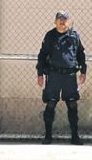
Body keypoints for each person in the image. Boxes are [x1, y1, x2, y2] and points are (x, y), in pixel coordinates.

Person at [36, 10, 87, 145]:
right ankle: (48, 136)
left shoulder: (74, 36)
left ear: (68, 21)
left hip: (70, 76)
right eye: (60, 19)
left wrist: (83, 71)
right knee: (51, 103)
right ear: (55, 21)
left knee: (72, 104)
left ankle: (75, 137)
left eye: (65, 19)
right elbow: (42, 55)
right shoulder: (50, 36)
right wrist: (40, 74)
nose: (62, 21)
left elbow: (81, 54)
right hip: (54, 75)